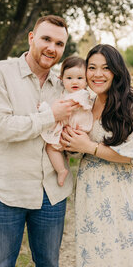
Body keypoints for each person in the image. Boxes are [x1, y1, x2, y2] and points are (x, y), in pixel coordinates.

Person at [0, 15, 78, 267]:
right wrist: (50, 117)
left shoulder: (64, 85)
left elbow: (70, 132)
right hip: (5, 188)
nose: (51, 48)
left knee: (49, 266)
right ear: (31, 38)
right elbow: (0, 128)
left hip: (51, 193)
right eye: (46, 39)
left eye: (59, 43)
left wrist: (74, 142)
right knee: (1, 265)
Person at [61, 44, 133, 267]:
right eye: (92, 67)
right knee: (100, 248)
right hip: (93, 191)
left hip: (127, 190)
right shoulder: (86, 101)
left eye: (106, 68)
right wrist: (71, 142)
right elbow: (78, 141)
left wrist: (90, 147)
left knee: (128, 250)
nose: (97, 74)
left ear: (117, 70)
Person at [39, 56, 93, 187]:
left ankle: (61, 170)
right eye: (69, 78)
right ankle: (63, 166)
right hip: (70, 125)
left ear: (86, 80)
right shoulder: (66, 93)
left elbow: (63, 107)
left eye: (80, 78)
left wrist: (45, 108)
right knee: (56, 147)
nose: (75, 82)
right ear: (61, 79)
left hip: (76, 126)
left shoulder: (81, 94)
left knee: (51, 146)